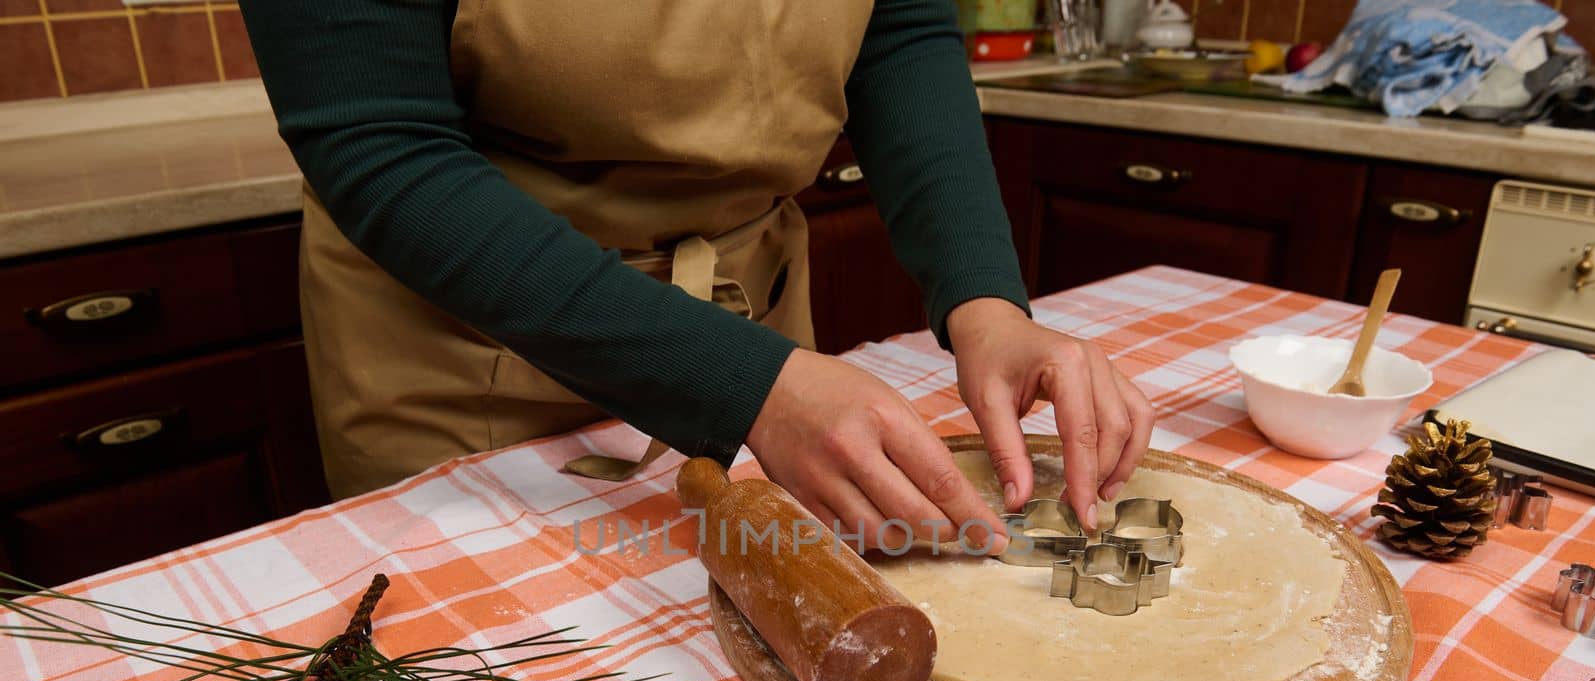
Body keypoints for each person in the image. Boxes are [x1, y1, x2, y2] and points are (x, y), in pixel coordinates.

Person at [240, 0, 1154, 549]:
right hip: (461, 350)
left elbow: (899, 26)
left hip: (759, 350)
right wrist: (742, 384)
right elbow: (380, 145)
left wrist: (984, 300)